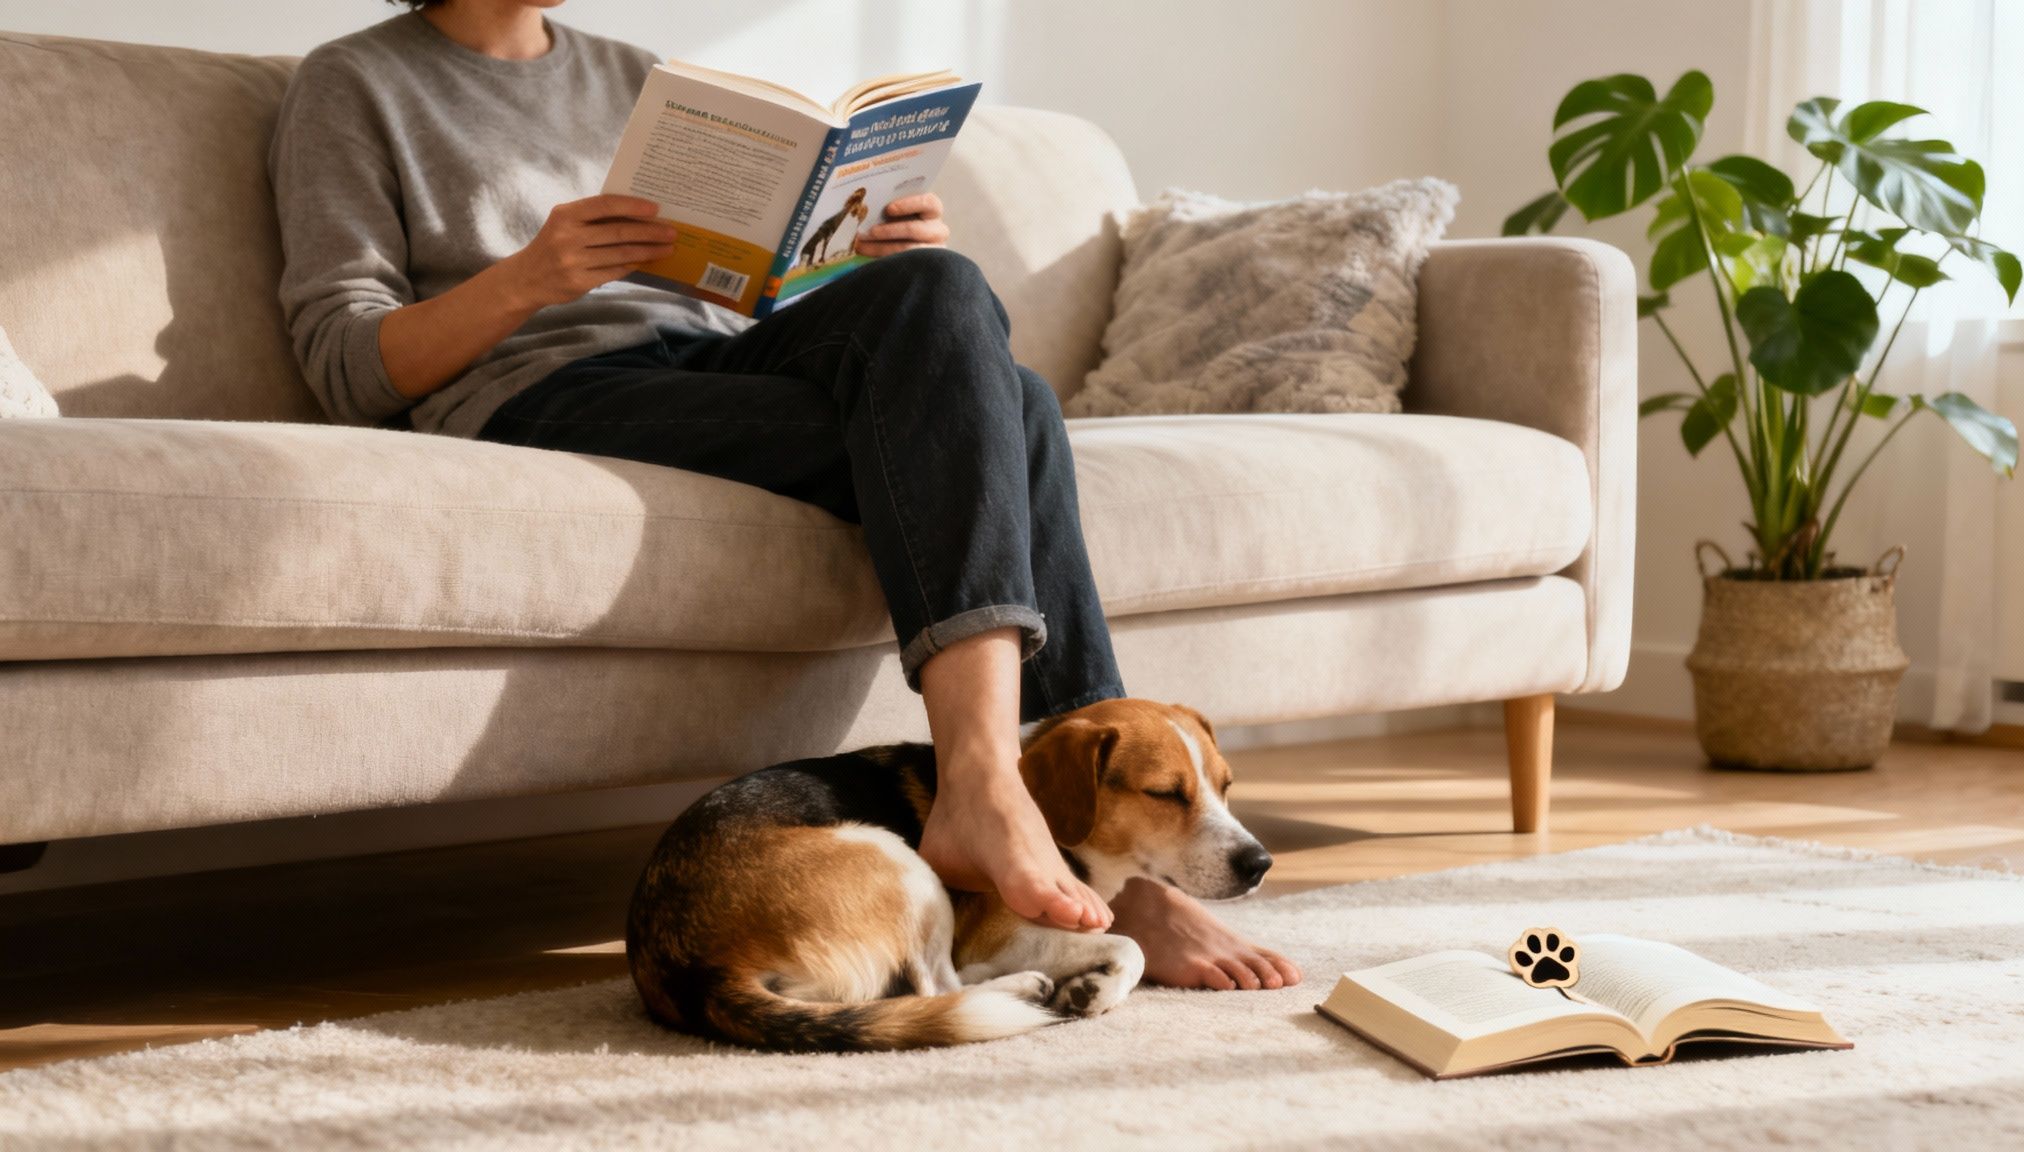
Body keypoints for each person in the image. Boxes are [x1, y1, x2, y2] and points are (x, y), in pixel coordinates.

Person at [269, 0, 1300, 993]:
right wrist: (533, 277)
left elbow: (733, 291)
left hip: (704, 363)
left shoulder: (633, 75)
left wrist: (851, 246)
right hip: (533, 387)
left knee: (942, 297)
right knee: (1012, 408)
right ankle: (1016, 806)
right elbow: (345, 364)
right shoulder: (354, 80)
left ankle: (1029, 814)